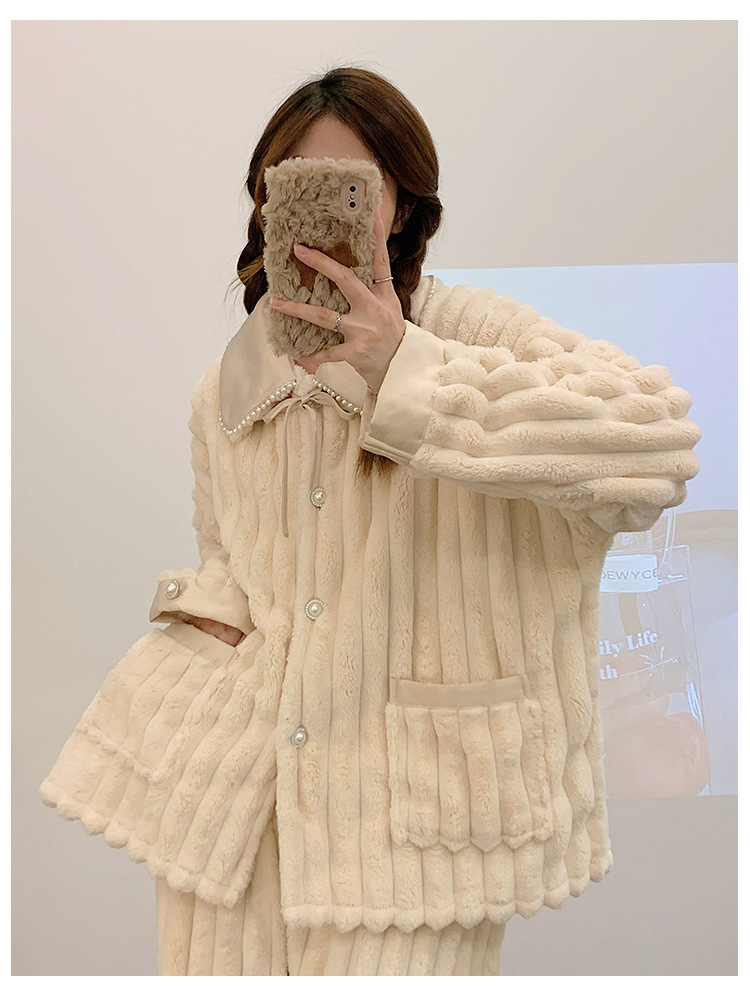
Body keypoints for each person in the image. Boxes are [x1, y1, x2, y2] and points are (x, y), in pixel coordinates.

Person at [40, 66, 702, 976]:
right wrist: (211, 614)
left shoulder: (467, 332)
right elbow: (232, 561)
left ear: (398, 206)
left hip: (414, 824)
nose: (319, 206)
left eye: (351, 184)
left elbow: (655, 444)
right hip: (238, 817)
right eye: (292, 183)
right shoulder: (228, 386)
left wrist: (409, 373)